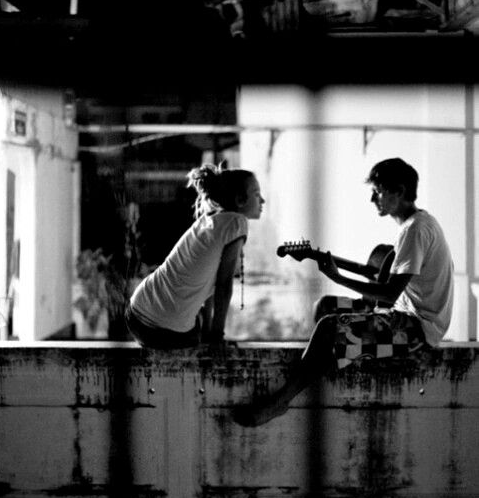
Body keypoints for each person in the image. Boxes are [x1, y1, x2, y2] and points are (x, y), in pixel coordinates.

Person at [234, 157, 454, 426]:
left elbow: (387, 294)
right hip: (404, 316)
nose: (373, 199)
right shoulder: (413, 226)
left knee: (329, 327)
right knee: (326, 306)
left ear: (399, 191)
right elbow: (381, 281)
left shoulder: (416, 230)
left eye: (379, 191)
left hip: (418, 330)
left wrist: (336, 276)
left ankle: (281, 402)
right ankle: (323, 367)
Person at [125, 163, 264, 348]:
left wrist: (208, 332)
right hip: (161, 328)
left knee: (196, 329)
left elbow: (208, 289)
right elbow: (223, 286)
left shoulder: (208, 221)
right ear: (240, 199)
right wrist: (217, 336)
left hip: (135, 312)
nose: (262, 200)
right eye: (256, 194)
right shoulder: (236, 223)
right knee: (196, 335)